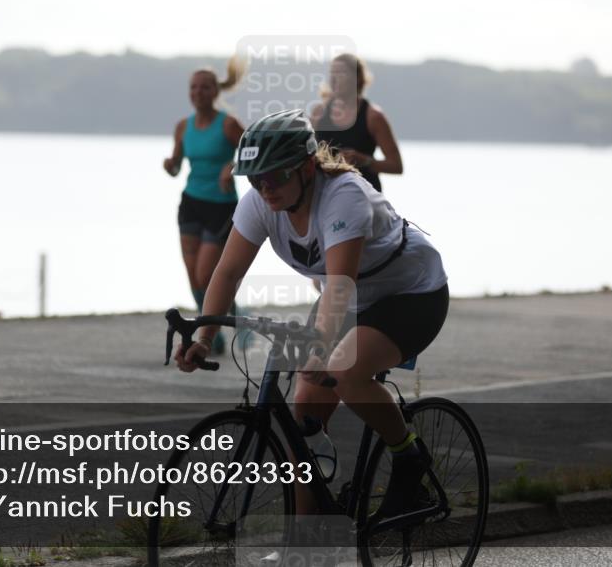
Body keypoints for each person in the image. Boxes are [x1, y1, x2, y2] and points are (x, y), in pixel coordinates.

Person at [174, 109, 449, 519]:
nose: (265, 188)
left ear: (306, 167)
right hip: (352, 299)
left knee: (344, 371)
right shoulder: (260, 203)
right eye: (255, 178)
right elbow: (228, 272)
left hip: (412, 293)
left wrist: (320, 347)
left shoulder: (343, 195)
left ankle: (409, 458)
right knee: (304, 411)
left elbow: (339, 283)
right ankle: (308, 536)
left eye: (274, 176)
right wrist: (204, 338)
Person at [163, 59, 245, 353]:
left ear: (215, 91)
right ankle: (214, 332)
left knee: (205, 275)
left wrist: (231, 166)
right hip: (191, 203)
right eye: (193, 87)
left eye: (204, 87)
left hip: (221, 206)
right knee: (193, 277)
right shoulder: (183, 127)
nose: (198, 92)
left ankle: (229, 317)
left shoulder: (229, 124)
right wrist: (170, 164)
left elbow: (252, 154)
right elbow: (176, 167)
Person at [311, 53, 403, 192]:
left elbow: (396, 166)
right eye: (332, 73)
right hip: (326, 194)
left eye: (341, 73)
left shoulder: (374, 117)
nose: (335, 79)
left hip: (364, 194)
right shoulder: (318, 112)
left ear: (357, 78)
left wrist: (364, 161)